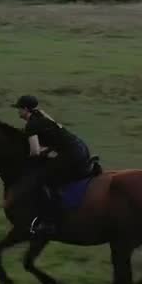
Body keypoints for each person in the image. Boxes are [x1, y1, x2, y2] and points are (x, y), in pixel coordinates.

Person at [13, 94, 93, 238]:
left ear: (25, 109)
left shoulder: (31, 125)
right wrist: (47, 150)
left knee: (42, 179)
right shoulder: (43, 118)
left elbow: (35, 152)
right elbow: (53, 140)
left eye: (19, 109)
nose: (18, 112)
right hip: (82, 148)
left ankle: (49, 222)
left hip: (71, 154)